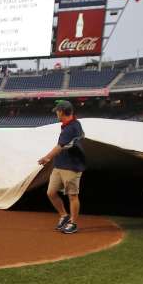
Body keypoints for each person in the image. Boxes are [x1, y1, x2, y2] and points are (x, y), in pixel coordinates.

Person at [36, 100, 87, 235]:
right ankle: (64, 215)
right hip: (60, 165)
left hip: (72, 167)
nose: (56, 113)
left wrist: (47, 158)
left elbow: (60, 146)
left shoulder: (71, 128)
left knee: (72, 196)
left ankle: (73, 223)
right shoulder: (70, 124)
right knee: (51, 192)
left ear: (62, 112)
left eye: (57, 111)